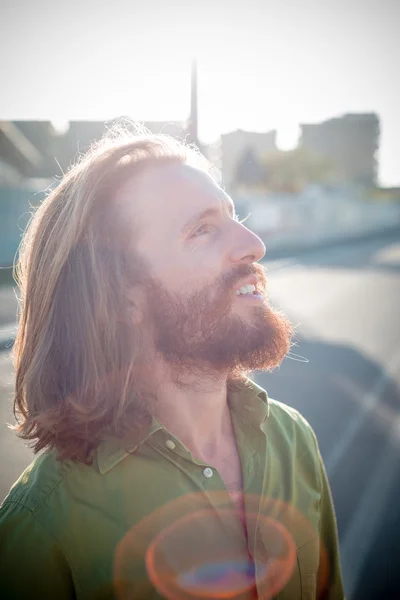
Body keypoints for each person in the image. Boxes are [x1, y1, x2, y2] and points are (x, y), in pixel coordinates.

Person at [0, 126, 345, 600]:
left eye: (233, 215)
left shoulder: (293, 439)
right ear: (122, 296)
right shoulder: (44, 523)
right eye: (202, 230)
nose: (253, 244)